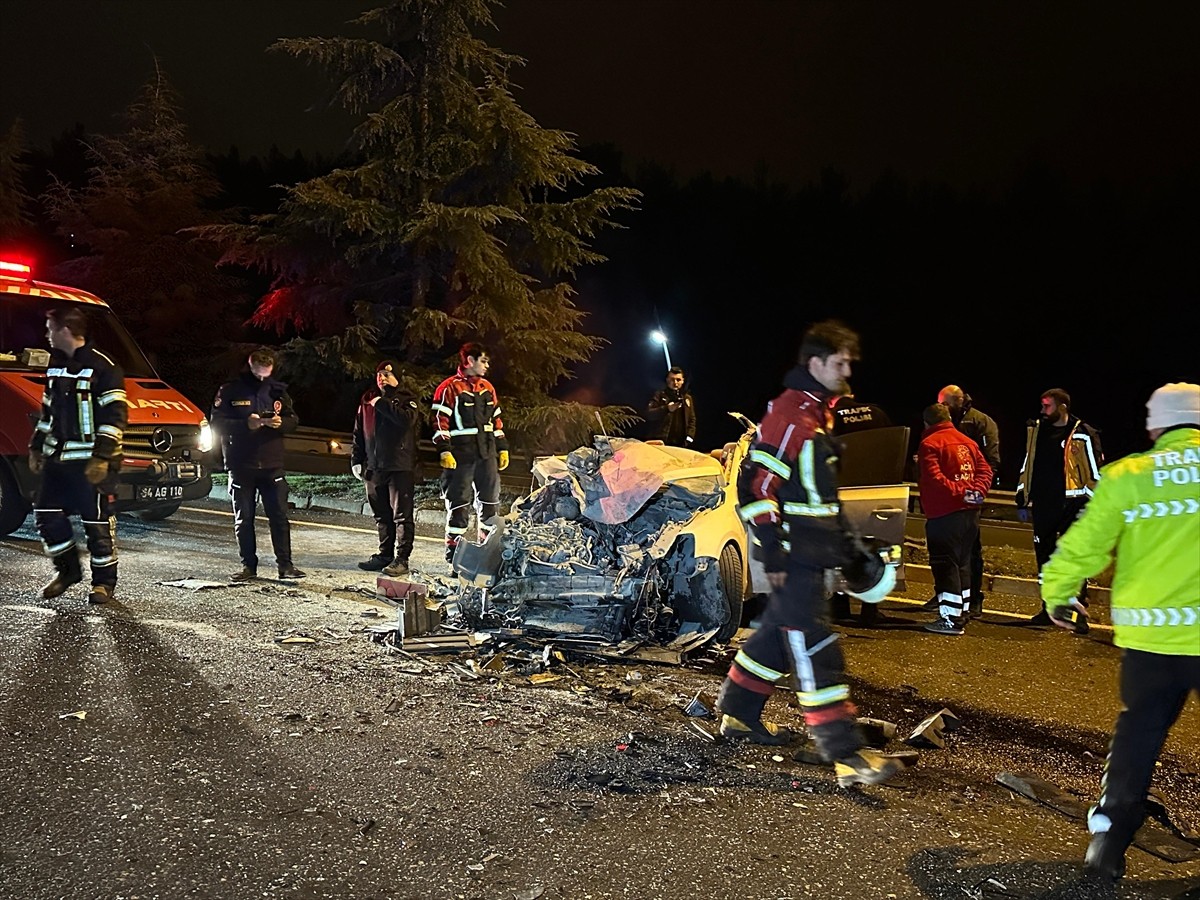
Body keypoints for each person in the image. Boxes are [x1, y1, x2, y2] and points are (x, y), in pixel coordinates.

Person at [715, 319, 904, 787]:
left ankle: (738, 714)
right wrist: (774, 556)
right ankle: (846, 756)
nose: (847, 370)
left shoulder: (817, 415)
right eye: (839, 362)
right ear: (815, 363)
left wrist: (850, 551)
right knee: (816, 648)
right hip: (794, 559)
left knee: (777, 639)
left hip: (810, 555)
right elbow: (757, 487)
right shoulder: (792, 414)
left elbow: (819, 502)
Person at [1040, 382, 1199, 882]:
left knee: (1137, 738)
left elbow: (1084, 544)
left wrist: (1060, 594)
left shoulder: (1129, 475)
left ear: (1156, 425)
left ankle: (1107, 841)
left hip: (1152, 641)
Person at [29, 307, 127, 604]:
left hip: (91, 463)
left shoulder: (103, 367)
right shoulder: (56, 366)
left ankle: (104, 584)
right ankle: (68, 571)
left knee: (96, 523)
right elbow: (48, 412)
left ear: (65, 331)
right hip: (59, 460)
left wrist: (101, 457)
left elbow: (116, 416)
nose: (47, 335)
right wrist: (36, 446)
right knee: (46, 516)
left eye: (50, 329)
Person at [210, 348, 305, 581]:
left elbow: (294, 420)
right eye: (258, 373)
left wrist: (280, 423)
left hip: (272, 463)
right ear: (250, 366)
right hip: (242, 464)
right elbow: (217, 423)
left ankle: (286, 566)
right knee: (244, 519)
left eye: (267, 373)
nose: (262, 378)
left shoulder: (277, 391)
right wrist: (246, 424)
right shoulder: (231, 389)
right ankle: (248, 567)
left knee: (279, 517)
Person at [1015, 388, 1103, 630]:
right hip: (1044, 504)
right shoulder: (1037, 431)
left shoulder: (1083, 433)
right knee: (1045, 559)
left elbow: (1094, 472)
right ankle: (1049, 609)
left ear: (1062, 407)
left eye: (1047, 406)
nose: (1043, 411)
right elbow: (1028, 463)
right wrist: (1022, 496)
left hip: (1073, 505)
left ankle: (1076, 616)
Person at [917, 403, 992, 635]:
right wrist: (975, 493)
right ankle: (963, 612)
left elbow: (935, 479)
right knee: (962, 564)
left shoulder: (929, 444)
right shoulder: (967, 442)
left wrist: (961, 492)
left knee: (944, 564)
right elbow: (985, 471)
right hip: (970, 514)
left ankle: (950, 619)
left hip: (944, 514)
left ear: (927, 423)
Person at [927, 384, 1001, 617]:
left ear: (955, 402)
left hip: (957, 505)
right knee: (957, 559)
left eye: (944, 403)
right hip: (962, 501)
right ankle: (957, 600)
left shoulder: (979, 423)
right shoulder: (950, 429)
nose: (943, 408)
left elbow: (989, 464)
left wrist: (971, 494)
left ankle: (967, 604)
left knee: (966, 555)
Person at [432, 342, 508, 564]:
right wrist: (444, 450)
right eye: (483, 360)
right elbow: (439, 421)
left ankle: (485, 553)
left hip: (487, 454)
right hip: (461, 455)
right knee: (459, 504)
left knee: (490, 503)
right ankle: (455, 555)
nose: (487, 365)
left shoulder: (487, 388)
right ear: (469, 361)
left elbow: (496, 420)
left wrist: (502, 448)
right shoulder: (449, 388)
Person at [829, 391, 896, 626]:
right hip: (877, 492)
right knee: (874, 549)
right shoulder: (876, 413)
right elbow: (892, 450)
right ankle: (870, 609)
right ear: (851, 394)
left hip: (842, 493)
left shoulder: (829, 417)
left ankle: (840, 608)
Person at [352, 359, 422, 576]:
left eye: (387, 374)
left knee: (401, 515)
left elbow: (405, 422)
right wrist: (356, 459)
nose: (382, 378)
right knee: (381, 515)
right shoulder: (367, 401)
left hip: (399, 467)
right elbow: (359, 432)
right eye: (379, 374)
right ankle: (384, 555)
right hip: (374, 468)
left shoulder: (406, 400)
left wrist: (382, 404)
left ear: (397, 378)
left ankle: (402, 559)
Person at [645, 367, 696, 447]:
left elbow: (692, 419)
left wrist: (689, 438)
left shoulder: (687, 398)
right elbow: (649, 414)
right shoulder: (659, 395)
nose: (675, 383)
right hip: (662, 442)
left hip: (681, 444)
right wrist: (666, 408)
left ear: (683, 381)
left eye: (678, 380)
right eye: (672, 379)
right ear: (667, 380)